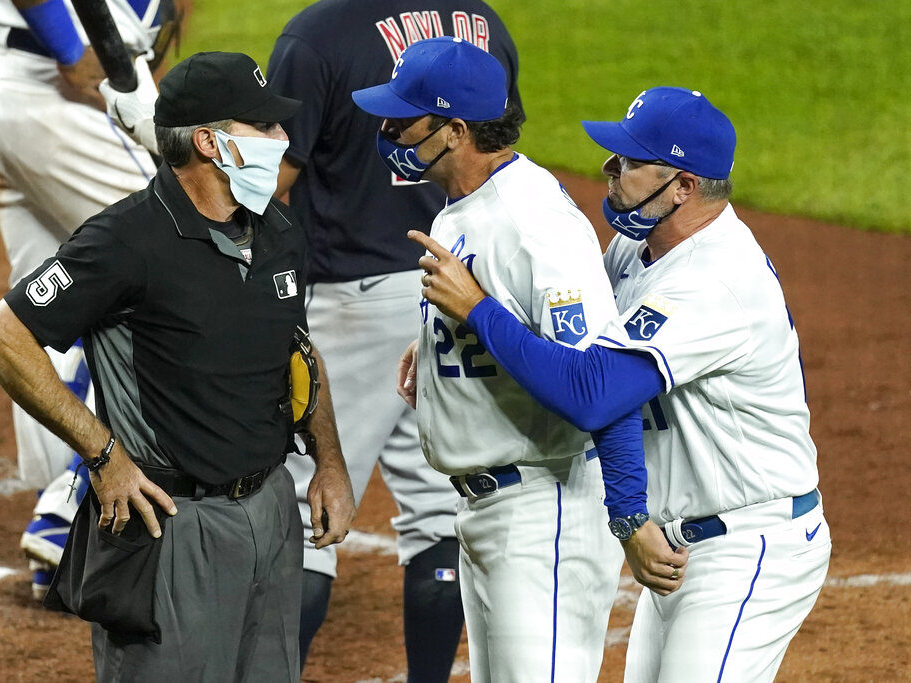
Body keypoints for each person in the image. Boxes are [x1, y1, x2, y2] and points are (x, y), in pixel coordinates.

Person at [409, 86, 831, 682]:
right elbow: (568, 341)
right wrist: (453, 333)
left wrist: (477, 309)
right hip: (679, 545)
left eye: (632, 161)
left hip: (750, 543)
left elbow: (595, 393)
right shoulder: (634, 250)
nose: (610, 167)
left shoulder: (717, 279)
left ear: (683, 186)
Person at [0, 51, 357, 681]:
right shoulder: (124, 241)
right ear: (211, 143)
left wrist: (331, 465)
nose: (283, 140)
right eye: (265, 128)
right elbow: (0, 339)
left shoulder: (279, 229)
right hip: (173, 526)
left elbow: (297, 354)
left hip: (271, 511)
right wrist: (103, 455)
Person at [352, 37, 649, 683]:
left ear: (454, 130)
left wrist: (478, 314)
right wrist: (441, 342)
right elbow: (501, 312)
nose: (386, 130)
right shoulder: (466, 208)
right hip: (490, 512)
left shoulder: (532, 218)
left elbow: (597, 384)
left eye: (402, 119)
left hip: (543, 509)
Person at [265, 2, 521, 676]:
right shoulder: (481, 23)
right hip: (452, 284)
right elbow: (495, 156)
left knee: (303, 505)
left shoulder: (316, 35)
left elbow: (270, 184)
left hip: (347, 299)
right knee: (439, 505)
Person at [0, 0, 180, 599]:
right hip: (47, 89)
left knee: (48, 307)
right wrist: (72, 48)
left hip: (0, 89)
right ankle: (70, 504)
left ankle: (64, 541)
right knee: (177, 258)